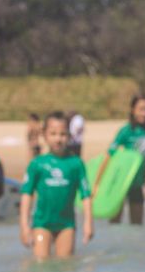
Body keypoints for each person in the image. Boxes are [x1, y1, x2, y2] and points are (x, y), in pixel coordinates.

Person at [19, 111, 93, 259]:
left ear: (69, 136)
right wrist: (24, 226)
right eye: (53, 134)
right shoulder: (37, 164)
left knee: (65, 265)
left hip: (66, 225)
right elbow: (27, 195)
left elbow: (86, 196)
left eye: (63, 134)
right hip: (41, 223)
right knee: (41, 264)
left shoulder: (76, 164)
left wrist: (88, 223)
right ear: (44, 135)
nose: (58, 139)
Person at [93, 94, 145, 225]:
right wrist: (97, 184)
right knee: (114, 224)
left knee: (137, 226)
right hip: (120, 184)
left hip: (138, 184)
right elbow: (109, 156)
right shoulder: (126, 131)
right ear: (132, 109)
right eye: (141, 109)